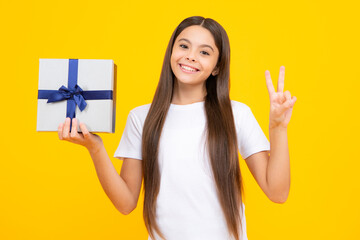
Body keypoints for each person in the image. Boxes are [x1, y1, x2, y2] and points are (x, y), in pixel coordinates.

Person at [58, 16, 297, 240]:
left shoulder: (236, 114)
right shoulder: (142, 118)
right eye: (184, 46)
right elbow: (125, 203)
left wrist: (278, 128)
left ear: (216, 67)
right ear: (171, 52)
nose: (191, 56)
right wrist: (95, 148)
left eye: (204, 52)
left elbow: (277, 193)